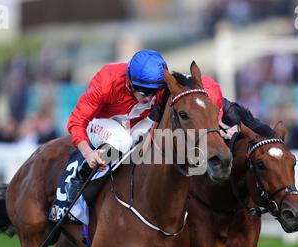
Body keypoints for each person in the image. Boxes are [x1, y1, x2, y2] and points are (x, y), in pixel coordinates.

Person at [66, 49, 224, 201]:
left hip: (137, 124)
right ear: (130, 82)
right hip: (101, 122)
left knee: (159, 141)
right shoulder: (108, 80)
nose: (149, 97)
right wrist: (87, 153)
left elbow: (207, 87)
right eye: (143, 92)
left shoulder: (163, 83)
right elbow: (76, 120)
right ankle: (81, 177)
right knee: (122, 141)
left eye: (154, 92)